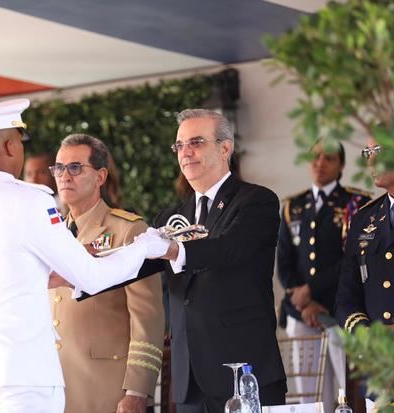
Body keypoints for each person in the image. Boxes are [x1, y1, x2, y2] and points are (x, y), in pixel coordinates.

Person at [0, 98, 170, 413]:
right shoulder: (31, 201)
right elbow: (92, 277)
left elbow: (1, 271)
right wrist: (145, 246)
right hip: (23, 371)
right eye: (19, 141)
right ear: (9, 146)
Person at [84, 109, 287, 412]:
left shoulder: (257, 200)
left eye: (196, 142)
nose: (186, 152)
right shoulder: (169, 217)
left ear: (225, 148)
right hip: (189, 377)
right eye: (179, 146)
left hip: (243, 373)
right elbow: (138, 265)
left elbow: (228, 249)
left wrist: (173, 249)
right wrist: (82, 270)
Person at [50, 134, 164, 413]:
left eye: (75, 168)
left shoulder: (128, 231)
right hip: (54, 388)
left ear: (100, 176)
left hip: (108, 389)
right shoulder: (50, 234)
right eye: (59, 168)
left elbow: (147, 317)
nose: (65, 176)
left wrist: (138, 390)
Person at [277, 141, 370, 412]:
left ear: (341, 165)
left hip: (341, 308)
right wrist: (302, 300)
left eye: (328, 158)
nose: (320, 163)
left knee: (346, 389)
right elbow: (284, 260)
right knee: (309, 394)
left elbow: (351, 258)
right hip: (300, 311)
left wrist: (312, 291)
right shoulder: (292, 206)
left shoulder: (357, 203)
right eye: (315, 157)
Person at [336, 136, 394, 338]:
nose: (371, 161)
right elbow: (346, 295)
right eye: (368, 153)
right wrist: (365, 333)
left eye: (379, 151)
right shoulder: (364, 218)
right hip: (378, 361)